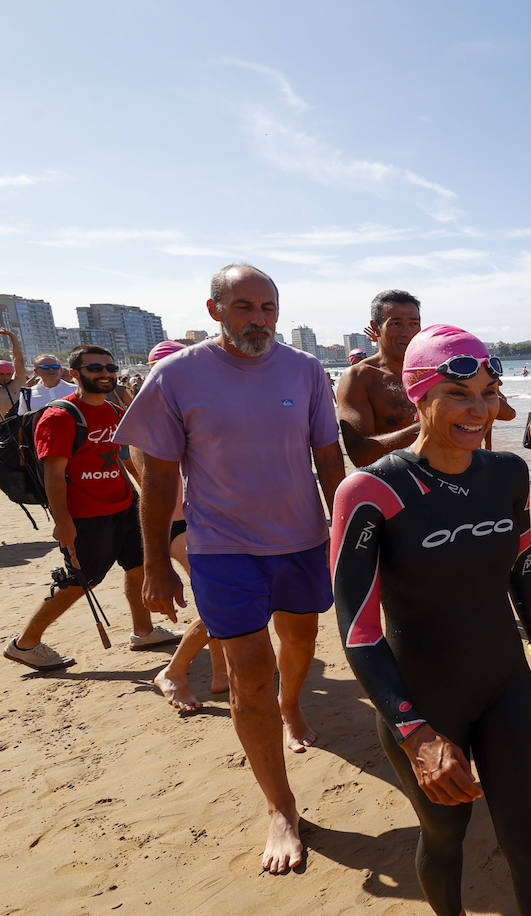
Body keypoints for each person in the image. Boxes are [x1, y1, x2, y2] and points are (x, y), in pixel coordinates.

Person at [331, 326, 531, 914]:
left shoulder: (506, 474)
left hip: (504, 684)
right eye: (459, 394)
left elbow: (519, 564)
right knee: (444, 837)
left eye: (488, 393)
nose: (480, 410)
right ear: (419, 395)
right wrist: (416, 734)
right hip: (423, 700)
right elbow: (358, 631)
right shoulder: (370, 490)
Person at [116, 264, 345, 874]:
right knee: (248, 674)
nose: (259, 319)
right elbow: (159, 476)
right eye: (244, 306)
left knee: (299, 639)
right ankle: (281, 807)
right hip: (222, 549)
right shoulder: (176, 375)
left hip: (300, 540)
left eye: (268, 307)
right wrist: (155, 565)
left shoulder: (306, 370)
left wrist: (351, 535)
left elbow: (329, 458)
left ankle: (292, 705)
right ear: (215, 310)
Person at [4, 344, 181, 671]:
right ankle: (25, 644)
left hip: (125, 505)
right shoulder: (59, 416)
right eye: (95, 368)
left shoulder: (113, 411)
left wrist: (143, 492)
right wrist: (63, 523)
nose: (106, 374)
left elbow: (121, 457)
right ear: (75, 374)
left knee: (137, 565)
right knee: (81, 580)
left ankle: (143, 631)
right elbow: (53, 476)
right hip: (85, 515)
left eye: (110, 368)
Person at [138, 340, 230, 713]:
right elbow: (153, 487)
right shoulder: (156, 419)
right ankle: (173, 671)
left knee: (220, 600)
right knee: (220, 602)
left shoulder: (168, 412)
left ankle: (223, 674)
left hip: (201, 521)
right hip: (182, 525)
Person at [336, 290, 424, 467]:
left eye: (414, 323)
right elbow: (360, 454)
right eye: (396, 323)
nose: (407, 332)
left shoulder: (433, 369)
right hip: (393, 484)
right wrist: (428, 428)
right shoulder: (359, 377)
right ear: (376, 327)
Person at [1, 325, 27, 413]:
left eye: (8, 374)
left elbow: (18, 359)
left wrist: (12, 336)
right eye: (1, 374)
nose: (5, 377)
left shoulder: (17, 382)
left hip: (19, 424)